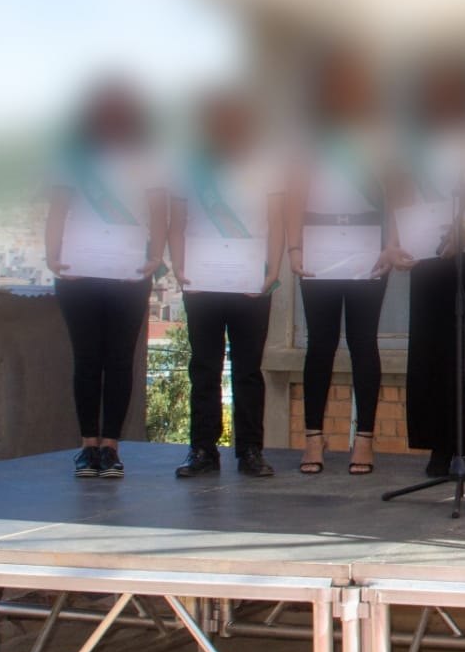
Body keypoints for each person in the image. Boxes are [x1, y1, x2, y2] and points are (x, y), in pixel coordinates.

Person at [44, 81, 166, 479]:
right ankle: (87, 446)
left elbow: (159, 209)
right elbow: (57, 208)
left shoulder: (147, 157)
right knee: (86, 360)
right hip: (79, 271)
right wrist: (53, 255)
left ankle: (111, 446)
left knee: (118, 360)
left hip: (128, 274)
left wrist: (155, 256)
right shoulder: (73, 157)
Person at [286, 50, 394, 477]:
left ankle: (364, 439)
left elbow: (397, 194)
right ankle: (313, 437)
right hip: (319, 248)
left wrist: (394, 242)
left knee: (363, 344)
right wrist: (294, 249)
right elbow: (294, 194)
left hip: (369, 248)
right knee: (321, 344)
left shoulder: (381, 135)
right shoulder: (308, 136)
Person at [398, 61, 465, 479]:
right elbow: (400, 191)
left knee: (462, 349)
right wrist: (398, 239)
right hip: (426, 252)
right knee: (428, 348)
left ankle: (464, 445)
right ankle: (438, 445)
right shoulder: (416, 141)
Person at [168, 89, 282, 479]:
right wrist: (180, 267)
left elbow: (276, 222)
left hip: (251, 283)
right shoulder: (189, 165)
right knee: (204, 367)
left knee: (248, 370)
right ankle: (202, 449)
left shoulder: (266, 163)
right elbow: (177, 221)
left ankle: (250, 450)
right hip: (202, 282)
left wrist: (272, 271)